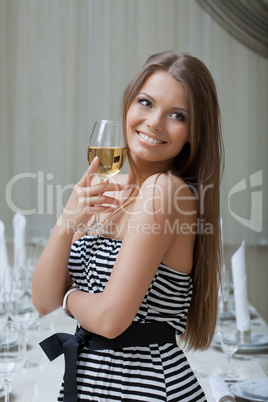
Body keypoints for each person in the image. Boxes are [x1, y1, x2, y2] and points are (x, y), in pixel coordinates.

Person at [32, 50, 224, 401]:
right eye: (146, 102)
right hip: (90, 382)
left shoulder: (165, 190)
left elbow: (109, 320)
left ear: (194, 134)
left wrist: (70, 298)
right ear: (128, 104)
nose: (154, 122)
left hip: (142, 388)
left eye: (177, 115)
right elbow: (43, 300)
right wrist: (66, 220)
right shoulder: (108, 188)